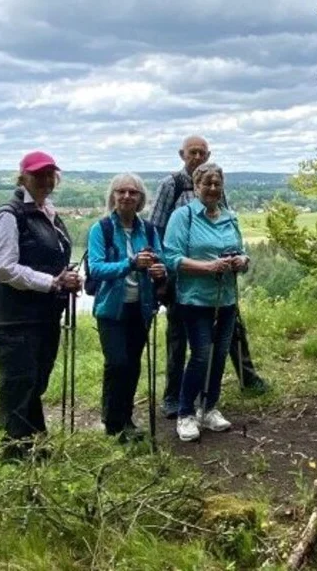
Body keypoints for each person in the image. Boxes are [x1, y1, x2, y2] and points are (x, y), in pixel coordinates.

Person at [151, 135, 267, 418]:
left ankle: (231, 387)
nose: (198, 157)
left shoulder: (218, 195)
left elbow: (224, 221)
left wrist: (238, 260)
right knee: (182, 340)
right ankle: (175, 399)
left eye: (203, 153)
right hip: (184, 281)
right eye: (193, 152)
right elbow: (156, 228)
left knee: (228, 335)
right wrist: (161, 276)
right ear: (182, 154)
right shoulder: (173, 185)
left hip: (222, 286)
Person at [0, 151, 80, 461]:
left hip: (44, 315)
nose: (44, 180)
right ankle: (14, 455)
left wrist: (66, 279)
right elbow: (2, 267)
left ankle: (34, 445)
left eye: (49, 174)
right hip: (16, 318)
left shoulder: (48, 213)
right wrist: (52, 282)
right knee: (18, 386)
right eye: (37, 174)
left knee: (35, 382)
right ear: (23, 177)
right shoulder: (9, 215)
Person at [161, 163, 249, 443]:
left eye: (217, 184)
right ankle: (185, 413)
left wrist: (241, 261)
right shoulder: (183, 216)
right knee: (201, 356)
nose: (212, 189)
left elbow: (242, 253)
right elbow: (171, 258)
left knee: (220, 354)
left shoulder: (230, 218)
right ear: (196, 187)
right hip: (195, 298)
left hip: (226, 299)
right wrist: (208, 267)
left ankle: (209, 408)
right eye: (206, 184)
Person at [87, 173, 167, 442]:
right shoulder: (102, 229)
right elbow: (96, 268)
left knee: (132, 365)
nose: (126, 197)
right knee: (117, 364)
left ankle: (126, 419)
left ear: (140, 199)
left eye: (132, 193)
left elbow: (161, 259)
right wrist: (130, 264)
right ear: (113, 197)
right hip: (111, 308)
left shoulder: (149, 230)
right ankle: (112, 422)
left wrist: (158, 269)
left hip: (140, 307)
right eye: (120, 192)